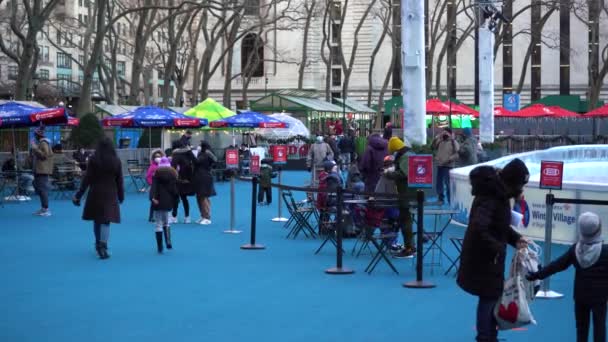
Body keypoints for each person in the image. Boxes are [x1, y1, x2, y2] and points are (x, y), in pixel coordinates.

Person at [457, 158, 531, 342]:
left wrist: (515, 239)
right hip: (484, 256)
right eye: (521, 184)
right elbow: (479, 226)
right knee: (488, 297)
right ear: (513, 181)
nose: (521, 189)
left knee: (491, 296)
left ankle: (489, 336)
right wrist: (497, 247)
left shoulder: (497, 193)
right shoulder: (492, 197)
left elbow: (499, 224)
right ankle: (485, 337)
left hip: (487, 255)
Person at [527, 212, 608, 342]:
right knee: (600, 327)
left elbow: (557, 265)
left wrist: (537, 274)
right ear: (598, 229)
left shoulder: (575, 249)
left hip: (580, 296)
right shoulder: (605, 251)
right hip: (600, 297)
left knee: (581, 328)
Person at [72, 137, 124, 260]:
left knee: (97, 219)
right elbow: (119, 181)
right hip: (110, 194)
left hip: (95, 192)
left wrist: (78, 195)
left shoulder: (94, 160)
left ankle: (97, 244)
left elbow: (87, 179)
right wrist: (121, 196)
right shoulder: (116, 161)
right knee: (106, 220)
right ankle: (103, 245)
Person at [385, 137, 417, 258]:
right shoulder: (409, 153)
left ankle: (409, 248)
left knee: (406, 220)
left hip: (406, 193)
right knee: (406, 220)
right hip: (409, 193)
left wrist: (389, 174)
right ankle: (410, 246)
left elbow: (404, 173)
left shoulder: (404, 156)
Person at [150, 157, 178, 253]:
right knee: (167, 222)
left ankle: (160, 246)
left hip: (157, 201)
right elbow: (175, 192)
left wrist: (152, 198)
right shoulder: (173, 176)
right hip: (168, 202)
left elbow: (153, 189)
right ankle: (168, 241)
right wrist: (175, 206)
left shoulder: (156, 176)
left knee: (158, 224)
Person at [170, 140, 196, 224]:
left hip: (178, 179)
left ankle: (174, 216)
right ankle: (187, 217)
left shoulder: (176, 154)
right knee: (184, 198)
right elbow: (195, 162)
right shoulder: (188, 153)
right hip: (188, 178)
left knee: (175, 198)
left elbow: (173, 168)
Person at [432, 127, 459, 204]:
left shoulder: (453, 142)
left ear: (450, 134)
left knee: (448, 184)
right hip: (440, 164)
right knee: (439, 183)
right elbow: (433, 147)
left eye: (446, 133)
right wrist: (437, 137)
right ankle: (441, 198)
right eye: (443, 132)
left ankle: (450, 199)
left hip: (448, 165)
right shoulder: (440, 141)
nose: (444, 134)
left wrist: (449, 159)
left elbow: (457, 153)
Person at [30, 126, 54, 216]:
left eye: (35, 135)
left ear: (38, 135)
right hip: (39, 169)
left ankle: (46, 209)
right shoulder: (42, 142)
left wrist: (34, 148)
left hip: (42, 170)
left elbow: (44, 155)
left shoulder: (43, 143)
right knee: (39, 188)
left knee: (42, 189)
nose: (34, 136)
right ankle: (44, 208)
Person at [193, 140, 217, 225]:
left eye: (199, 145)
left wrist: (192, 154)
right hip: (199, 177)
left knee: (204, 197)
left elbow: (197, 162)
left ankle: (207, 217)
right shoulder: (202, 154)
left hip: (205, 178)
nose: (198, 147)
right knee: (199, 197)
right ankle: (203, 215)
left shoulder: (206, 154)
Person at [146, 149, 164, 222]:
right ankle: (151, 216)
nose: (158, 158)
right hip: (154, 187)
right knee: (153, 202)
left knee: (162, 201)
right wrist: (152, 184)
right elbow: (148, 177)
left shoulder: (163, 165)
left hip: (162, 186)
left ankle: (160, 216)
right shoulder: (152, 166)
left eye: (159, 156)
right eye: (156, 156)